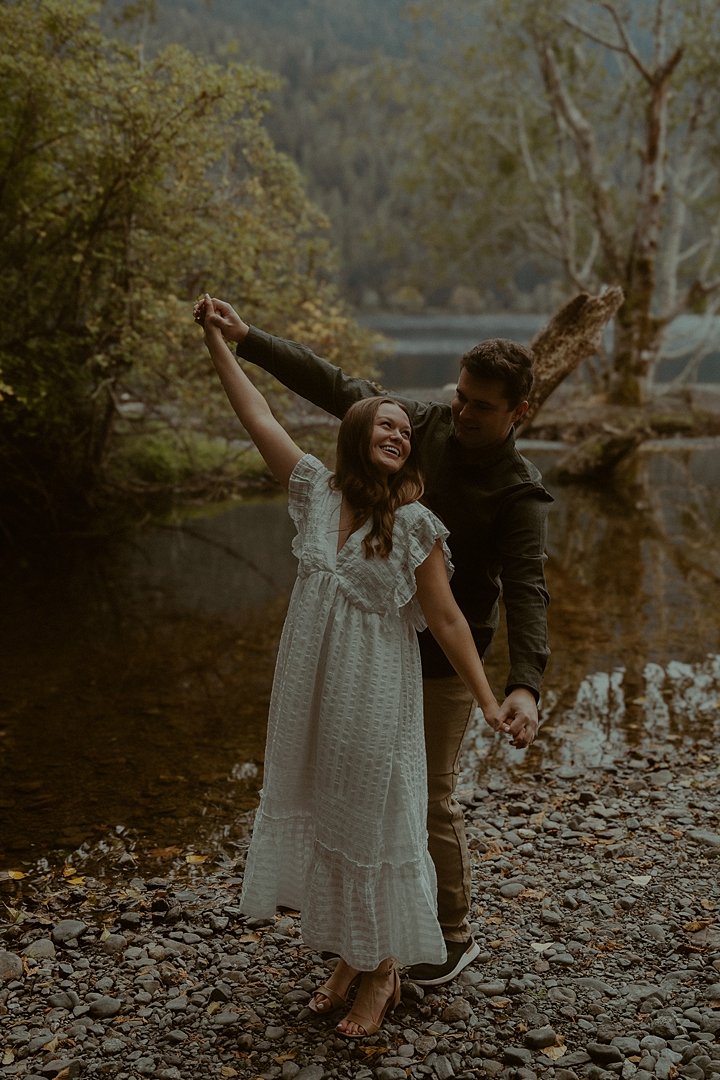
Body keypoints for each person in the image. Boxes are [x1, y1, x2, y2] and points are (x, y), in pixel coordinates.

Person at [195, 296, 553, 987]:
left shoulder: (518, 493)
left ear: (518, 413)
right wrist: (244, 339)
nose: (460, 412)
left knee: (429, 798)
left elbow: (525, 591)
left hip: (444, 658)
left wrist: (519, 687)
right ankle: (358, 938)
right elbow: (333, 388)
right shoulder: (406, 434)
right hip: (350, 661)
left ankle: (446, 935)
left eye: (480, 406)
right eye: (459, 395)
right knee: (348, 791)